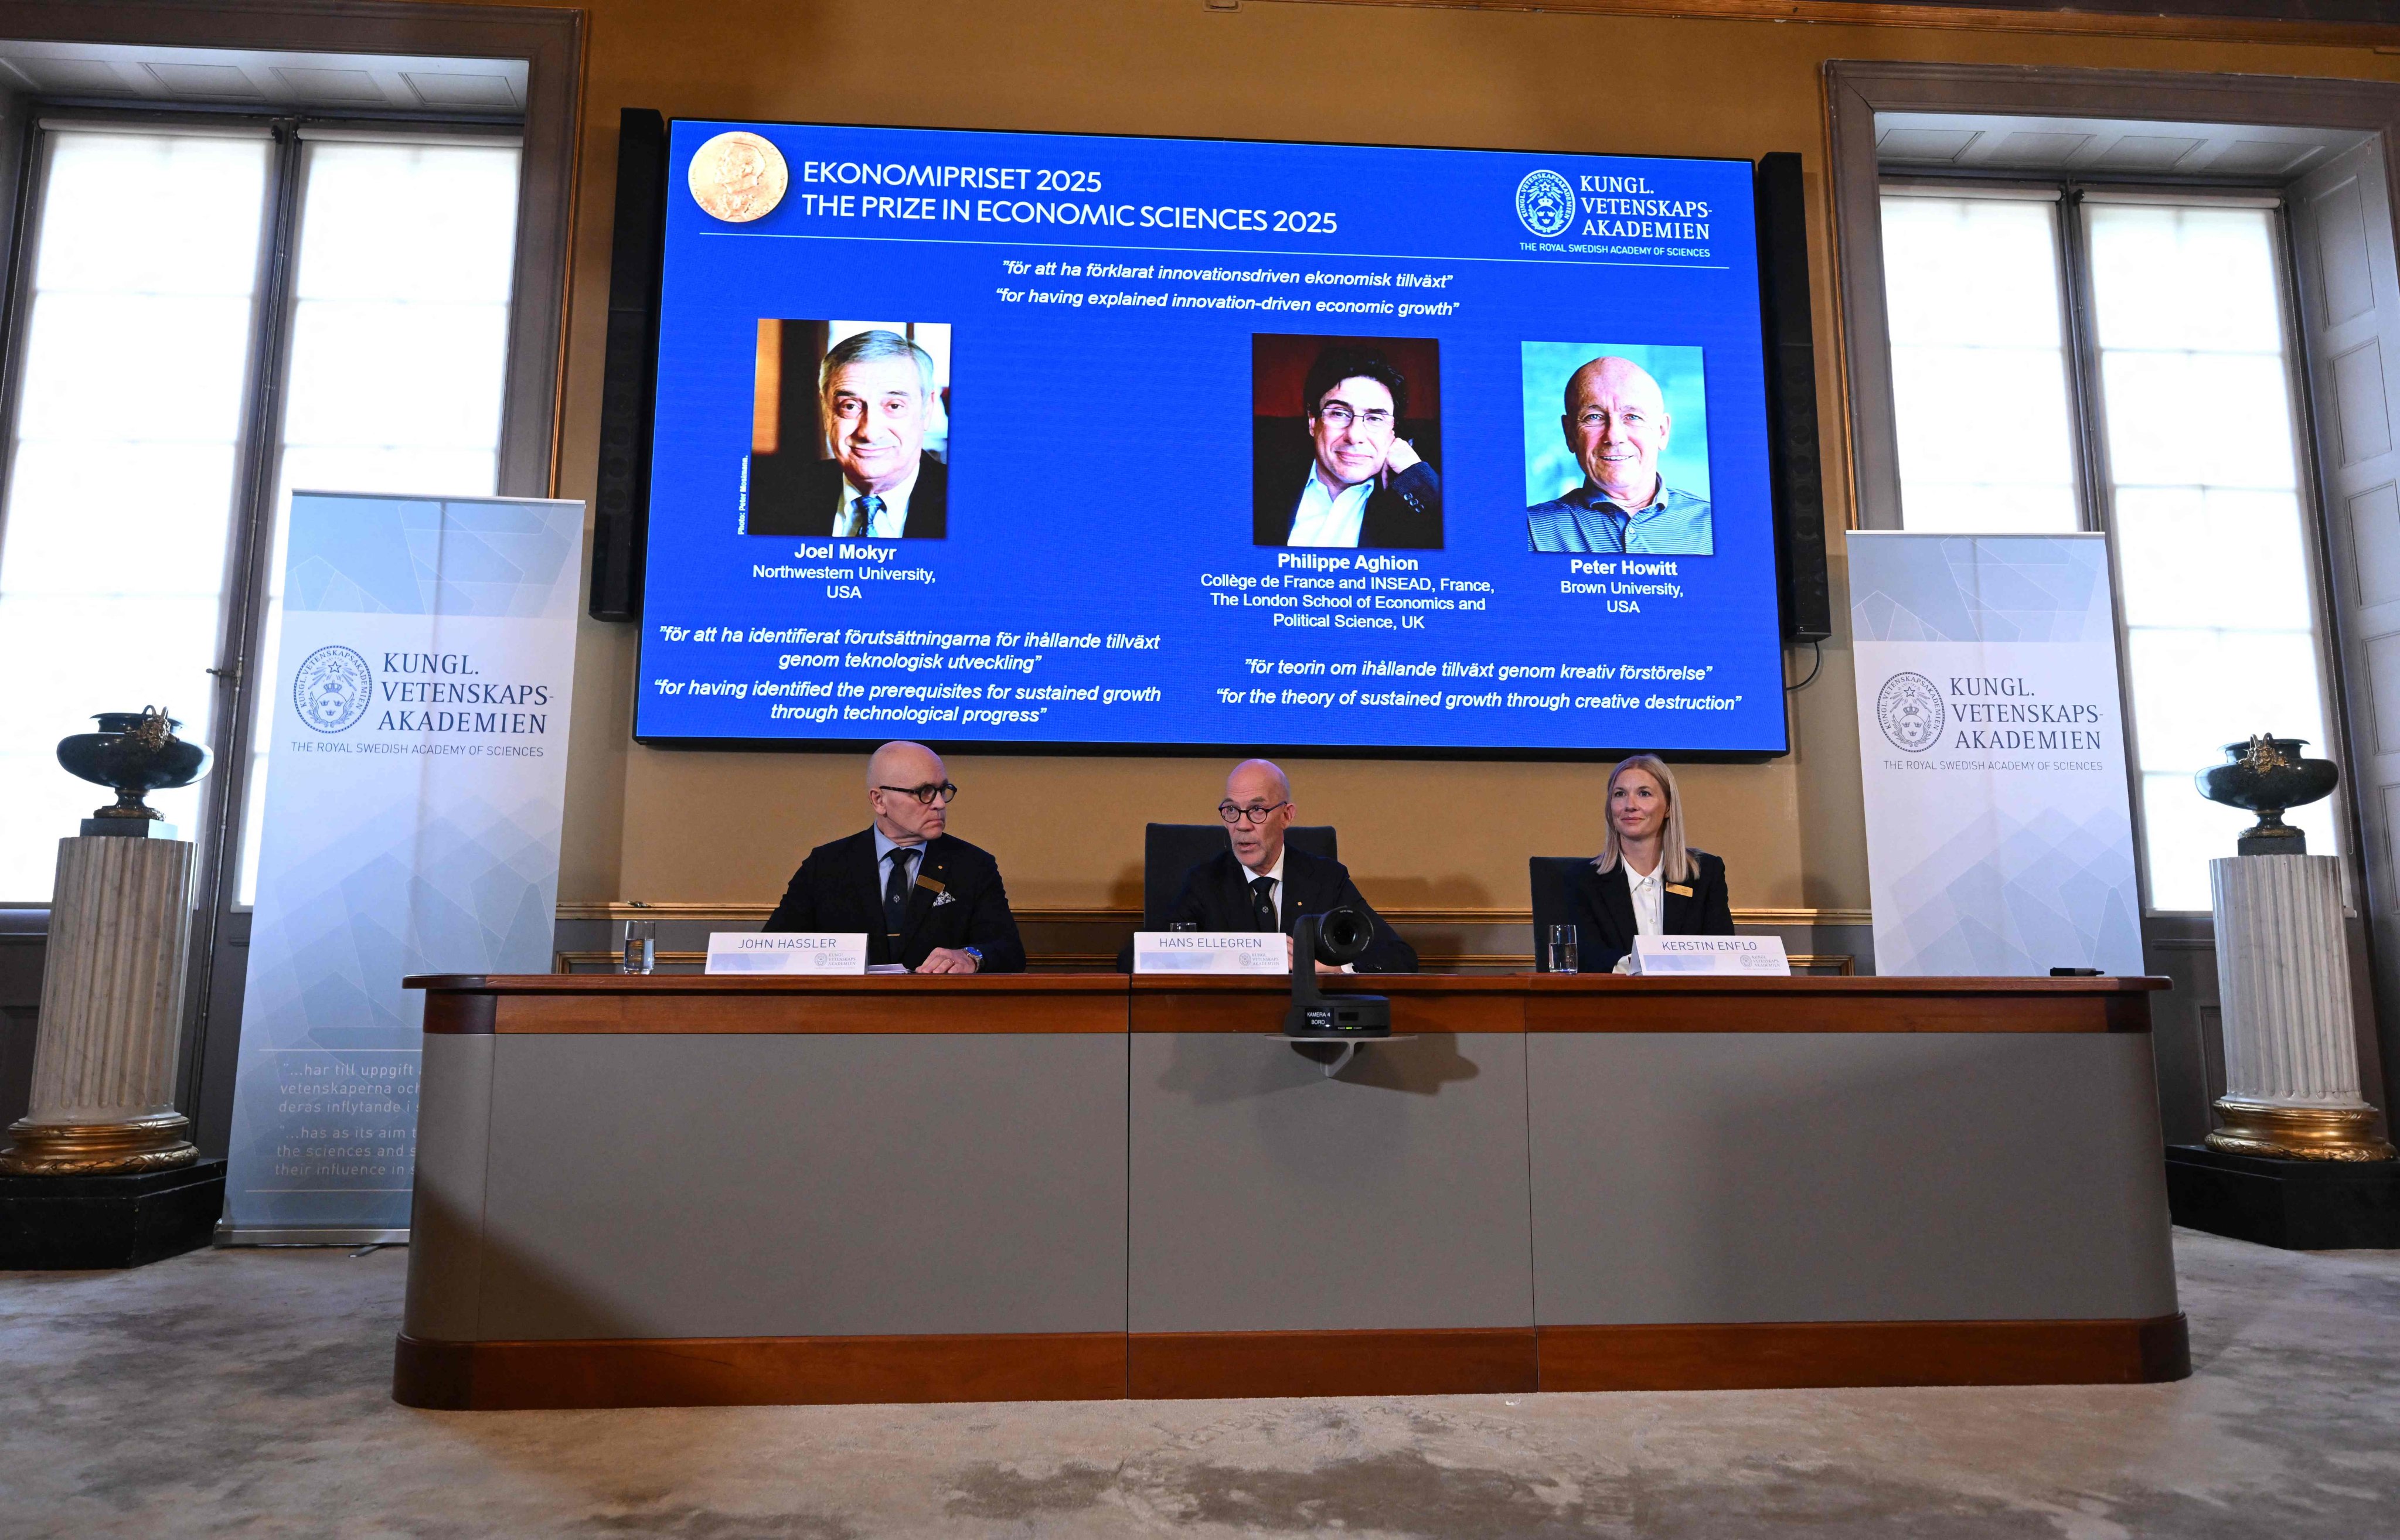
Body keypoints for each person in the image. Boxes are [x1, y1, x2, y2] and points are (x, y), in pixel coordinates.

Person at [762, 740, 1023, 972]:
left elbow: (1010, 951)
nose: (940, 804)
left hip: (939, 1015)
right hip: (845, 1015)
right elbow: (772, 950)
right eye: (924, 792)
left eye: (943, 790)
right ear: (879, 801)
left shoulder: (973, 865)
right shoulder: (826, 865)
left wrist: (971, 957)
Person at [1161, 758, 1418, 973]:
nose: (1241, 825)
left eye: (1257, 810)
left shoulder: (1326, 880)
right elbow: (1142, 957)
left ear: (1287, 816)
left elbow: (1398, 958)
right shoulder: (1204, 882)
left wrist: (1334, 970)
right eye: (1231, 810)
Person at [748, 329, 948, 539]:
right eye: (850, 406)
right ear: (826, 411)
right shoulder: (768, 500)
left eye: (895, 406)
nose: (869, 433)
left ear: (927, 409)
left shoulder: (969, 504)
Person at [1254, 344, 1442, 550]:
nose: (1354, 436)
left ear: (1393, 430)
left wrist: (1417, 475)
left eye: (1375, 418)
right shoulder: (1261, 485)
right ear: (1312, 422)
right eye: (1339, 413)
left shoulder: (1416, 499)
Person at [1562, 754, 1735, 973]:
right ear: (1610, 807)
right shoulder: (1582, 880)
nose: (1630, 805)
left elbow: (1722, 953)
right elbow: (1585, 957)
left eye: (1644, 794)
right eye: (1620, 794)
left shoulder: (1705, 874)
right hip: (1612, 1003)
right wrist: (1645, 966)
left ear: (1668, 807)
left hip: (1691, 1003)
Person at [1527, 355, 1712, 555]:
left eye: (1633, 417)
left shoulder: (1715, 526)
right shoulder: (1528, 531)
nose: (1614, 437)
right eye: (1594, 417)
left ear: (1662, 432)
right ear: (1570, 434)